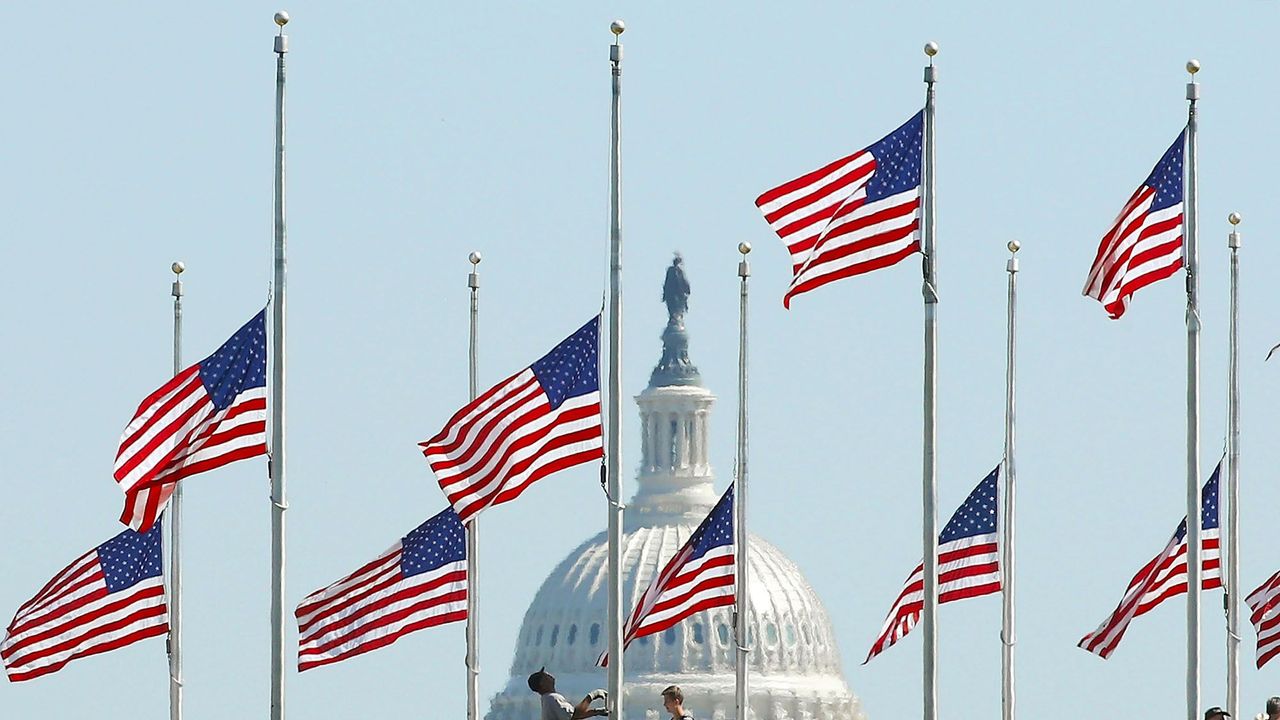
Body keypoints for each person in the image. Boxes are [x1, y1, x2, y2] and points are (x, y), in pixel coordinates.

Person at [527, 667, 608, 720]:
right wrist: (593, 695)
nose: (548, 674)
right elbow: (574, 715)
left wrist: (596, 712)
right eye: (545, 675)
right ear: (542, 684)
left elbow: (572, 716)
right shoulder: (552, 698)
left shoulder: (546, 699)